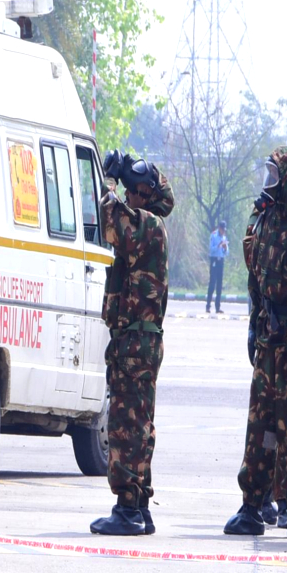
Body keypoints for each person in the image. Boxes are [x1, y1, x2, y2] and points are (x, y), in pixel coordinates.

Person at [224, 147, 287, 539]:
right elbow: (256, 279)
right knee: (261, 425)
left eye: (273, 173)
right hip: (268, 338)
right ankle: (252, 504)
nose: (267, 181)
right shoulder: (266, 217)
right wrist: (253, 326)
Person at [90, 150, 175, 536]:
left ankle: (127, 506)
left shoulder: (149, 225)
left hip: (134, 341)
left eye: (131, 190)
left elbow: (110, 221)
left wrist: (108, 183)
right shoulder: (151, 224)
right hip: (141, 339)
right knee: (141, 424)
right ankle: (140, 505)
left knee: (126, 424)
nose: (127, 196)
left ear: (144, 193)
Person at [206, 219, 228, 313]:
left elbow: (226, 253)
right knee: (212, 283)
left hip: (221, 261)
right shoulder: (213, 235)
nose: (223, 231)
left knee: (219, 285)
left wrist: (225, 248)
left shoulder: (224, 237)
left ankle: (217, 307)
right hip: (214, 260)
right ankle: (208, 306)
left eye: (224, 229)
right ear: (219, 228)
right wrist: (218, 246)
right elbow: (211, 250)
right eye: (222, 229)